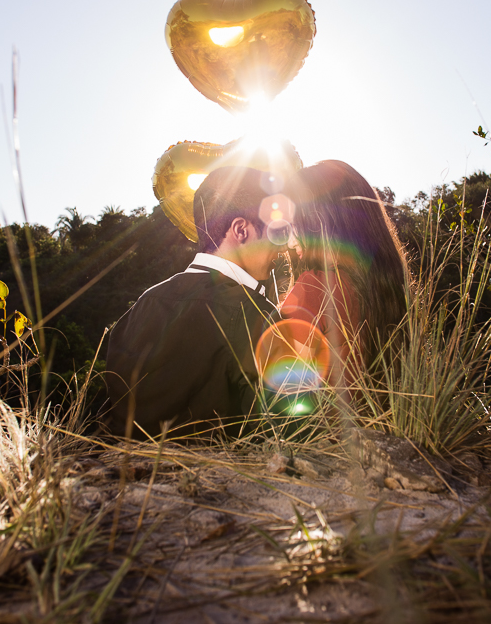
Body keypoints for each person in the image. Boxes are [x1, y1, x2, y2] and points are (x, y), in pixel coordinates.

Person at [105, 166, 281, 437]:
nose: (281, 247)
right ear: (241, 230)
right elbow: (280, 431)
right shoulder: (257, 315)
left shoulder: (142, 305)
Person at [274, 160, 410, 391]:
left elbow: (281, 391)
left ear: (324, 220)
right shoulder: (391, 286)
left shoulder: (314, 288)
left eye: (298, 224)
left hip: (326, 427)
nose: (291, 241)